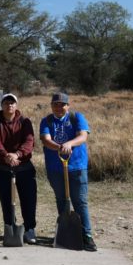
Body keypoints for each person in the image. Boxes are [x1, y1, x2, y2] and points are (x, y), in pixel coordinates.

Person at [40, 93, 97, 251]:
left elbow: (83, 136)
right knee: (62, 200)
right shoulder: (47, 120)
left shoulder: (76, 117)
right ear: (52, 106)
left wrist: (69, 144)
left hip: (77, 167)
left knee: (80, 202)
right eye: (55, 104)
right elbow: (45, 139)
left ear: (68, 106)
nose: (59, 107)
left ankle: (87, 236)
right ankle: (67, 233)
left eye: (62, 104)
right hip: (55, 168)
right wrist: (59, 147)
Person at [0, 93, 38, 244]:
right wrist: (7, 156)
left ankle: (29, 229)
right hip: (2, 168)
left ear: (16, 105)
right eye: (6, 103)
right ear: (1, 105)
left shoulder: (25, 122)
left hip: (24, 167)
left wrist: (17, 154)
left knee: (28, 199)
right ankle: (10, 227)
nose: (9, 105)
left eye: (12, 103)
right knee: (7, 200)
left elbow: (29, 142)